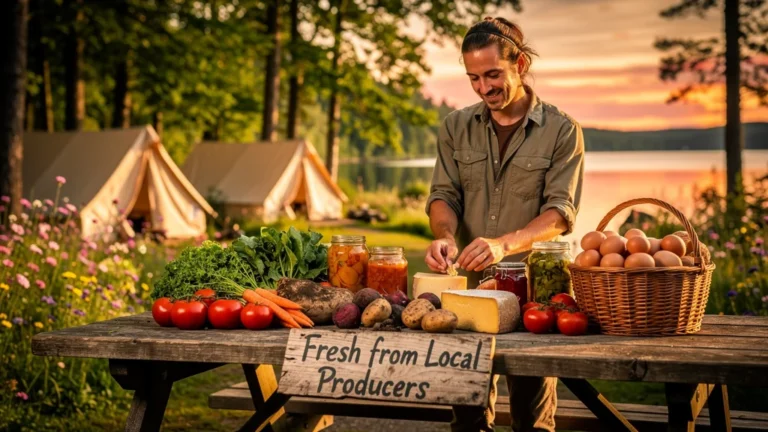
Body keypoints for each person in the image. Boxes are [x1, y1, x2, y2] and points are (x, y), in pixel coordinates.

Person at [424, 17, 585, 432]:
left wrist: (504, 244)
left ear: (521, 65)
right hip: (468, 292)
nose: (484, 87)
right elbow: (443, 195)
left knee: (532, 420)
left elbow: (560, 213)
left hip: (535, 296)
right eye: (473, 78)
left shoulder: (562, 130)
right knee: (467, 418)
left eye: (493, 74)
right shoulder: (455, 127)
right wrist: (445, 236)